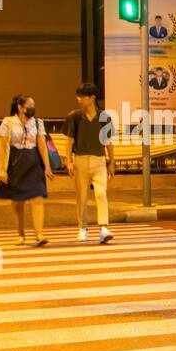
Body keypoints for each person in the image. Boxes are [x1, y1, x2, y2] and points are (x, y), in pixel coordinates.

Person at [0, 93, 54, 246]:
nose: (32, 109)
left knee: (38, 197)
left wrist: (47, 166)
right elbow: (2, 146)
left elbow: (42, 144)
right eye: (29, 106)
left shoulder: (37, 122)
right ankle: (20, 234)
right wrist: (2, 169)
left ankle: (39, 234)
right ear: (20, 108)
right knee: (17, 201)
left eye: (33, 106)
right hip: (15, 163)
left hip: (33, 162)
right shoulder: (8, 122)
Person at [63, 83, 116, 243]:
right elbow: (69, 141)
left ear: (92, 98)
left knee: (101, 193)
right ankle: (82, 228)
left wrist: (112, 161)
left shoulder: (104, 117)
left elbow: (108, 141)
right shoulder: (74, 116)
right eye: (78, 96)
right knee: (82, 196)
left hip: (99, 160)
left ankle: (103, 227)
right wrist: (69, 161)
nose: (78, 99)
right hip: (80, 160)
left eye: (82, 96)